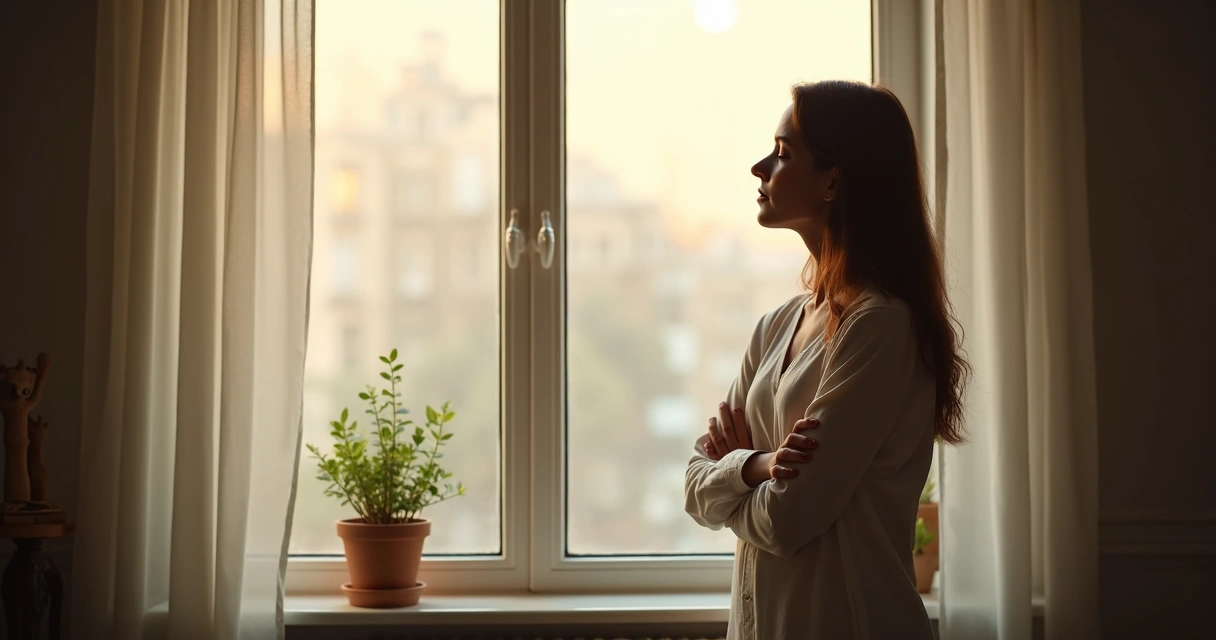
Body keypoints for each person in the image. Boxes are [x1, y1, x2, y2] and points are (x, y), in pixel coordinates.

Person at [683, 80, 969, 639]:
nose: (759, 167)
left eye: (784, 153)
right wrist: (757, 464)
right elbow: (693, 488)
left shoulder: (880, 325)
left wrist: (732, 476)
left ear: (834, 180)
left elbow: (787, 520)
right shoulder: (776, 326)